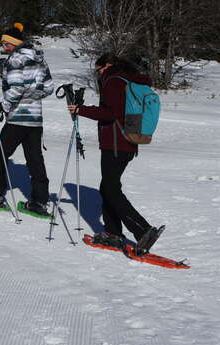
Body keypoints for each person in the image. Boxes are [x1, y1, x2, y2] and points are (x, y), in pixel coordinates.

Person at [67, 53, 160, 255]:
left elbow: (111, 113)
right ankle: (112, 233)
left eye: (99, 70)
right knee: (107, 187)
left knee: (110, 188)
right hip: (127, 141)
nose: (98, 74)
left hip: (116, 143)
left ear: (107, 66)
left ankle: (143, 230)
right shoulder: (128, 79)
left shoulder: (113, 81)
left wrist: (81, 110)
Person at [0, 23, 54, 216]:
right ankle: (40, 201)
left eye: (6, 44)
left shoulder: (15, 59)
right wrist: (32, 95)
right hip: (35, 118)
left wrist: (0, 107)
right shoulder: (39, 59)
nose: (4, 48)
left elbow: (17, 88)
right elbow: (49, 87)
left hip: (18, 117)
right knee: (34, 159)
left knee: (1, 153)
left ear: (14, 43)